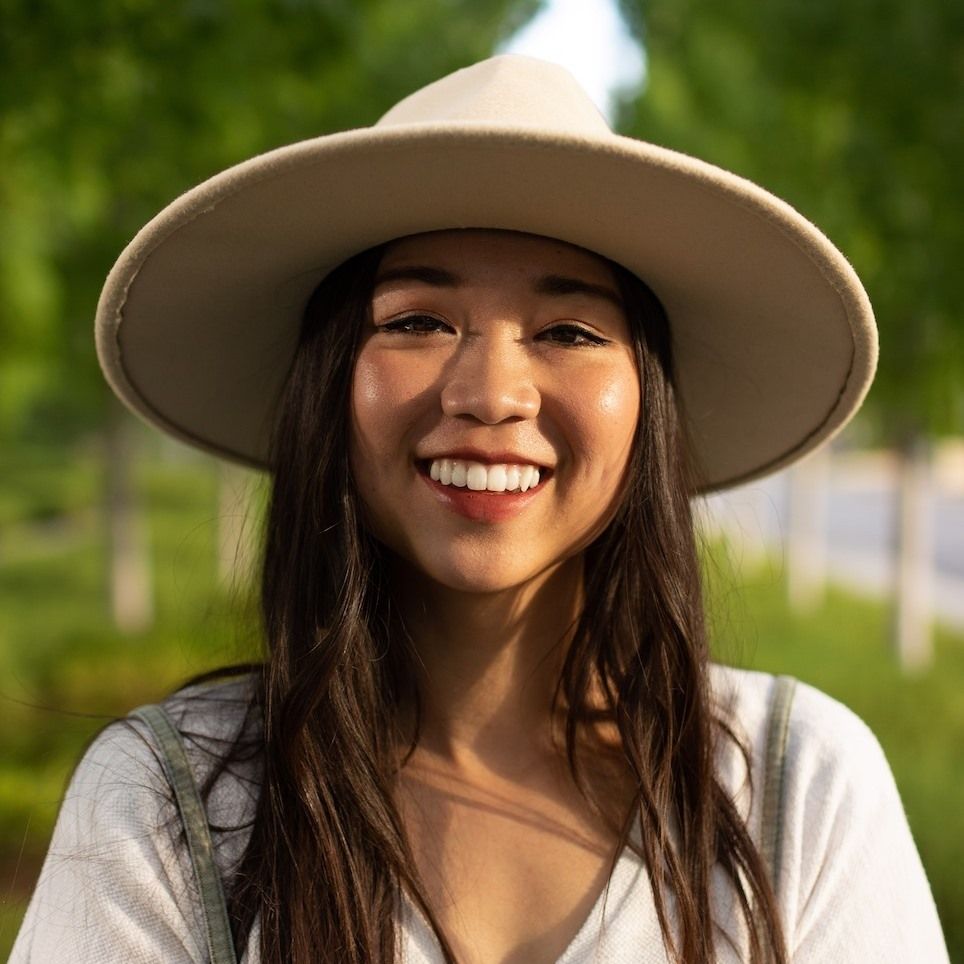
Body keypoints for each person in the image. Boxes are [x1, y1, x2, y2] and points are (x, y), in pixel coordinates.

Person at [11, 55, 949, 964]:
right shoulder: (168, 807)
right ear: (328, 383)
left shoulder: (798, 789)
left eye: (569, 332)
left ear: (647, 401)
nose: (493, 392)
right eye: (417, 321)